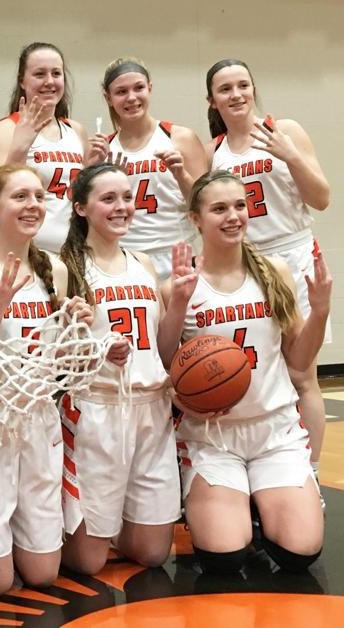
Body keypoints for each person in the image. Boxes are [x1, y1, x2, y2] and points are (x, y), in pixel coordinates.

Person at [157, 170, 328, 574]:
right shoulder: (178, 284)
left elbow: (299, 360)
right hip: (211, 437)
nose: (233, 216)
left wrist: (319, 312)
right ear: (196, 218)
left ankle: (262, 502)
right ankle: (234, 503)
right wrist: (179, 305)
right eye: (219, 208)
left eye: (239, 205)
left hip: (274, 430)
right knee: (224, 556)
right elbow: (165, 362)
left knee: (301, 552)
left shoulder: (274, 273)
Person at [0, 164, 91, 596]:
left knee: (43, 573)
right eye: (20, 197)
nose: (33, 205)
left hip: (38, 417)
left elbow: (62, 363)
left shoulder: (56, 270)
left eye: (39, 196)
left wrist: (78, 328)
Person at [204, 59, 331, 489]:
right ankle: (263, 469)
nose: (236, 94)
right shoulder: (214, 151)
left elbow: (322, 198)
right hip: (249, 263)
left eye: (243, 85)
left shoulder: (285, 129)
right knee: (259, 371)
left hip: (292, 255)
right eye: (225, 88)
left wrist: (291, 155)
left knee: (302, 374)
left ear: (254, 89)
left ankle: (308, 476)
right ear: (212, 100)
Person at [58, 163, 180, 575]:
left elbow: (162, 350)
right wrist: (94, 349)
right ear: (80, 208)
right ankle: (63, 530)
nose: (121, 206)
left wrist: (178, 303)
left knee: (152, 554)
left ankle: (114, 519)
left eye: (126, 197)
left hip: (152, 408)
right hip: (97, 408)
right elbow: (56, 355)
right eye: (108, 199)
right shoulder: (67, 268)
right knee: (89, 564)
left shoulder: (143, 263)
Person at [0, 42, 99, 254]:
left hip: (71, 252)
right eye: (39, 74)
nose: (50, 81)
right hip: (23, 254)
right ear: (22, 81)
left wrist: (94, 169)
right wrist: (20, 148)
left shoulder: (76, 131)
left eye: (56, 73)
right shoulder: (4, 130)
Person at [100, 57, 208, 280]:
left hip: (177, 254)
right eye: (121, 92)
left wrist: (181, 176)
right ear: (108, 98)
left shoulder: (181, 138)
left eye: (139, 88)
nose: (132, 97)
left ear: (150, 88)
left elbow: (207, 207)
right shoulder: (104, 149)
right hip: (126, 257)